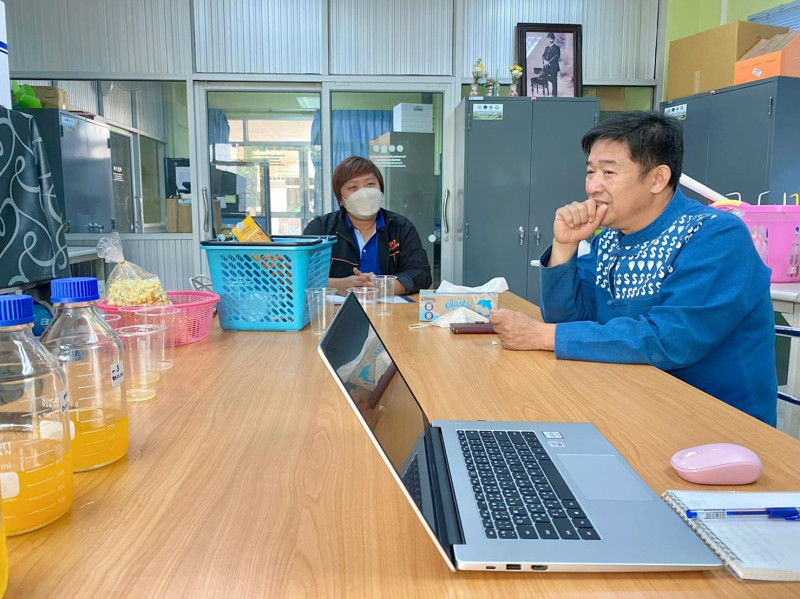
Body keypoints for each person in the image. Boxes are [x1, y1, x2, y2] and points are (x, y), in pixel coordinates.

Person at [489, 111, 777, 425]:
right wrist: (564, 246)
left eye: (608, 172)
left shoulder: (715, 235)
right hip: (631, 403)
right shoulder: (610, 238)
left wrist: (541, 336)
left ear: (658, 179)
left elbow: (670, 339)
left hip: (715, 424)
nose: (593, 186)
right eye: (590, 172)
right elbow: (567, 320)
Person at [304, 156, 432, 296]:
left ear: (381, 189)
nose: (364, 193)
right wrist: (338, 286)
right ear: (341, 199)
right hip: (337, 309)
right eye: (353, 187)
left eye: (370, 184)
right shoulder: (321, 229)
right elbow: (299, 276)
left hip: (389, 308)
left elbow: (421, 274)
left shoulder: (400, 227)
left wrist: (385, 286)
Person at [542, 32, 561, 97]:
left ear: (553, 39)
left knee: (554, 80)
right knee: (543, 76)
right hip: (546, 67)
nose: (550, 40)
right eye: (549, 38)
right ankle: (547, 89)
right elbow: (543, 55)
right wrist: (544, 61)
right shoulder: (546, 48)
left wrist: (548, 62)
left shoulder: (556, 48)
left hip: (553, 67)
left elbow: (556, 56)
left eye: (551, 38)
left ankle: (554, 94)